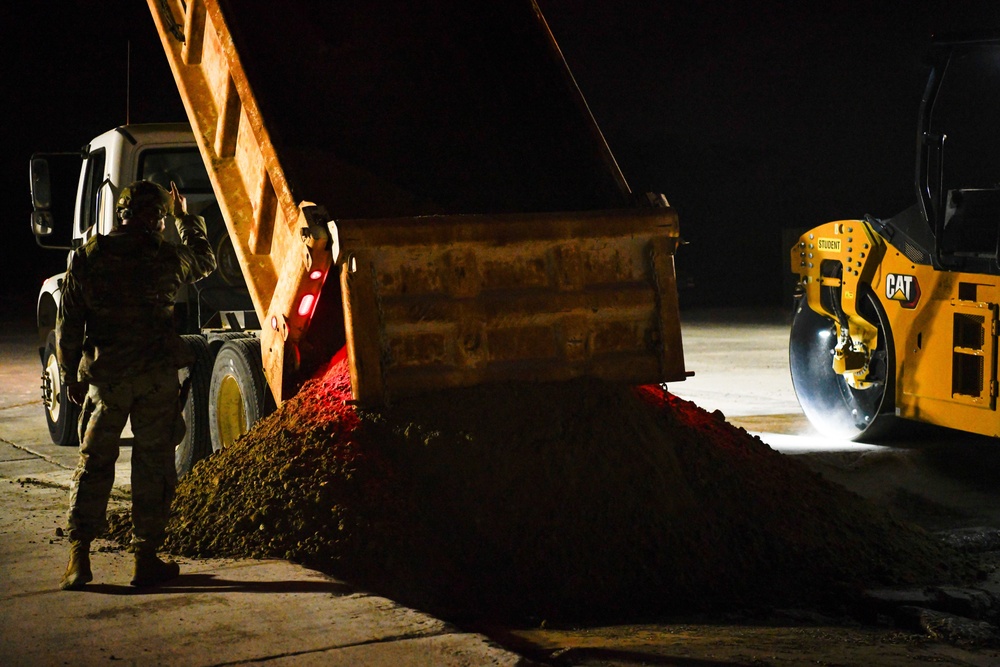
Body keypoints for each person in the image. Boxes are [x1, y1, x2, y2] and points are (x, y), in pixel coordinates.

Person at [57, 179, 216, 589]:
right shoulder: (166, 258)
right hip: (155, 380)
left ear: (122, 215)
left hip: (106, 379)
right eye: (162, 217)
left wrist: (71, 373)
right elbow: (205, 258)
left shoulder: (88, 257)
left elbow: (69, 323)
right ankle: (145, 559)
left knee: (93, 464)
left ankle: (79, 558)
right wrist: (186, 218)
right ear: (156, 218)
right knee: (153, 465)